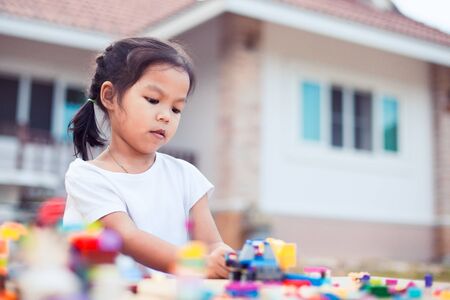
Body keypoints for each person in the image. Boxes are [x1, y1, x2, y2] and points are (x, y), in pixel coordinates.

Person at [63, 37, 233, 278]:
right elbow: (128, 237)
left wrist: (224, 258)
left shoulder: (186, 176)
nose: (166, 116)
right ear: (109, 96)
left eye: (176, 109)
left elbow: (212, 245)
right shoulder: (87, 177)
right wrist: (200, 265)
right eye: (153, 100)